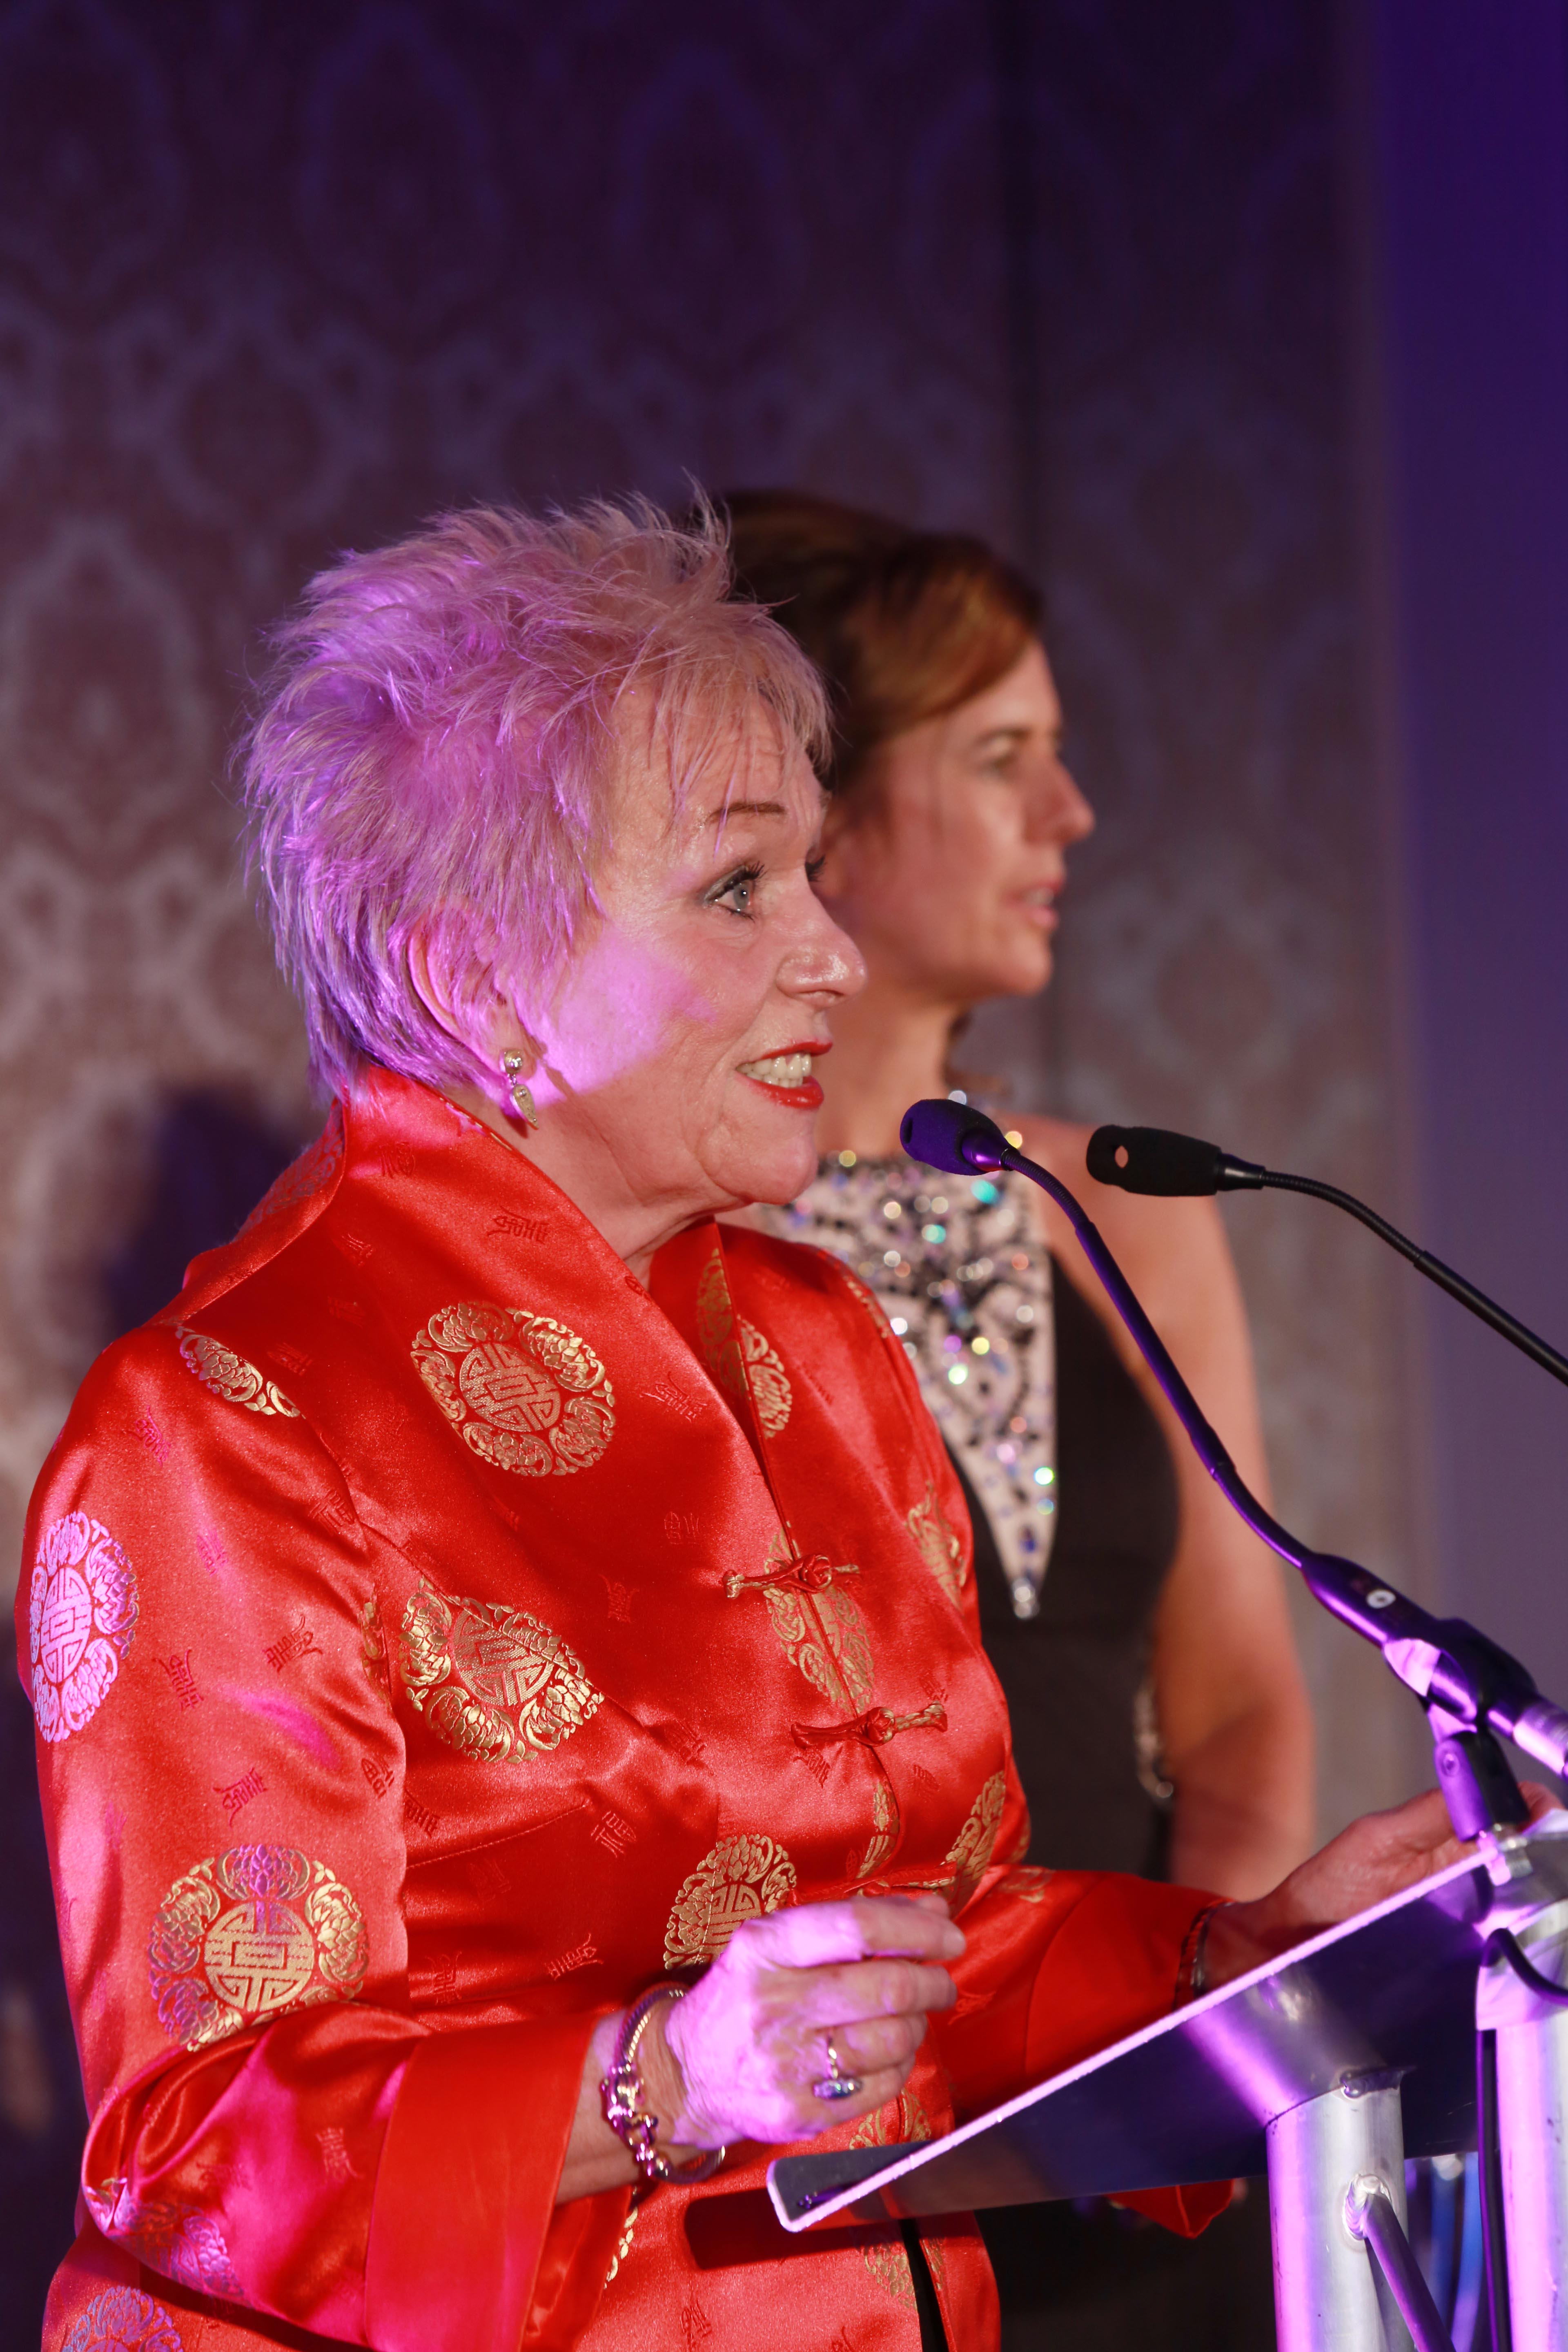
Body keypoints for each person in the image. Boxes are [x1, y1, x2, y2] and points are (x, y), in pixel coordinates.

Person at [19, 500, 1475, 2352]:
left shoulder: (817, 1341)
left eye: (810, 874)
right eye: (739, 889)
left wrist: (1238, 1957)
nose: (832, 956)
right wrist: (667, 2081)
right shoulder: (226, 1428)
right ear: (475, 979)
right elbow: (196, 2154)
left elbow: (943, 1941)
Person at [722, 489, 1315, 2345]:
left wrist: (1199, 2053)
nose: (1071, 815)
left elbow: (1239, 1709)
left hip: (1154, 2137)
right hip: (856, 2161)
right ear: (825, 811)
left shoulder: (1119, 1201)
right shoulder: (685, 1233)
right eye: (1001, 760)